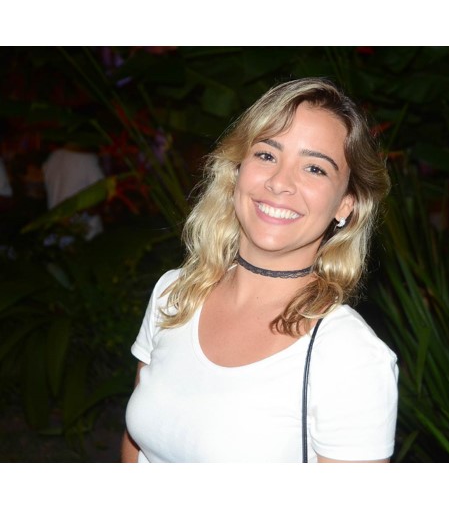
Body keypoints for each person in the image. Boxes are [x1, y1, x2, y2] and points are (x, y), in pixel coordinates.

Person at [122, 77, 399, 463]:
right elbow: (136, 446)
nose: (280, 182)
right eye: (267, 155)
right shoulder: (175, 294)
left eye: (315, 168)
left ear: (345, 205)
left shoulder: (349, 356)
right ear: (237, 170)